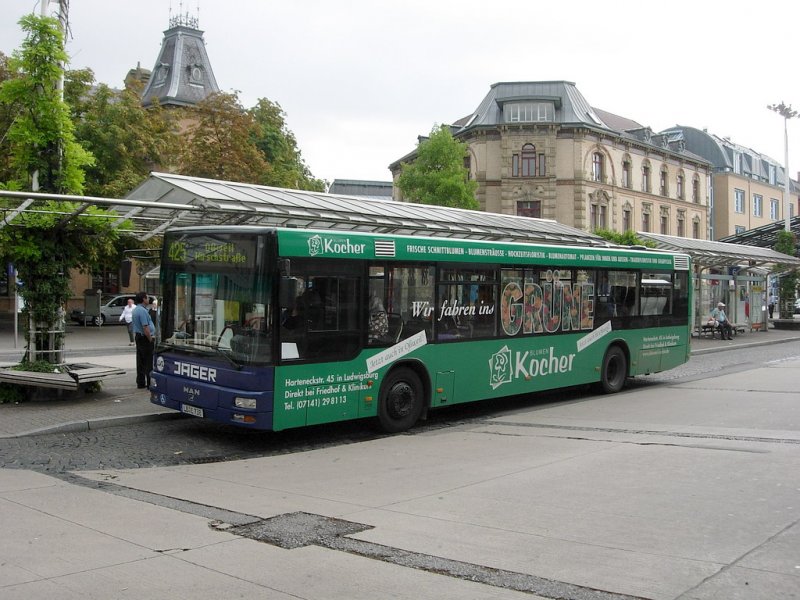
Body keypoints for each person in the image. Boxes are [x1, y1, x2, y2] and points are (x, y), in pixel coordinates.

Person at [132, 292, 156, 389]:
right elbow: (145, 327)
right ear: (143, 299)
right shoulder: (142, 311)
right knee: (148, 361)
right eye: (147, 297)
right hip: (144, 338)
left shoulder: (136, 309)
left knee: (141, 360)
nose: (148, 299)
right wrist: (150, 339)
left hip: (139, 337)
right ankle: (150, 383)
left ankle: (140, 382)